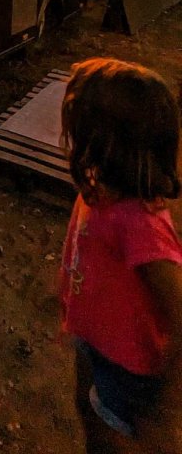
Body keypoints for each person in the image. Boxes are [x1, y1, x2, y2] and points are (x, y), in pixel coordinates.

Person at [59, 57, 182, 452]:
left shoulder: (139, 225)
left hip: (128, 369)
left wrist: (164, 407)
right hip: (95, 336)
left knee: (111, 436)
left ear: (112, 146)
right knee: (88, 409)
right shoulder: (101, 185)